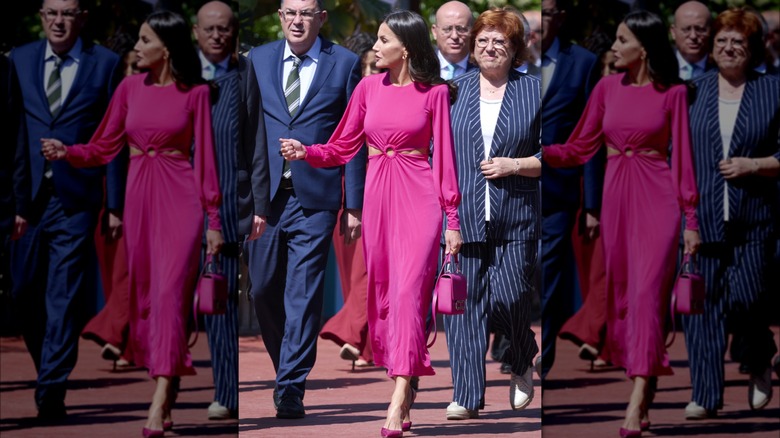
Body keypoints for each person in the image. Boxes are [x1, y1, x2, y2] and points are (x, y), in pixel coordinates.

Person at [41, 10, 224, 436]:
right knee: (148, 299)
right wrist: (68, 152)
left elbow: (207, 163)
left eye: (144, 41)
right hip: (140, 199)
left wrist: (213, 218)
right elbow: (104, 147)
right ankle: (168, 379)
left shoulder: (195, 93)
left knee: (168, 295)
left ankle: (158, 403)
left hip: (180, 200)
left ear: (166, 47)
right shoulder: (127, 88)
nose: (137, 48)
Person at [281, 10, 462, 436]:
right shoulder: (366, 88)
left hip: (420, 199)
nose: (375, 47)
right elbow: (342, 146)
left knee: (407, 294)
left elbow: (447, 163)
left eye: (383, 40)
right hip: (378, 199)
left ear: (407, 47)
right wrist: (307, 152)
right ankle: (407, 375)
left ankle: (398, 401)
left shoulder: (434, 93)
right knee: (384, 296)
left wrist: (452, 218)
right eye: (377, 40)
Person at [542, 10, 701, 436]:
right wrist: (539, 154)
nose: (613, 46)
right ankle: (645, 384)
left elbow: (683, 160)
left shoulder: (674, 94)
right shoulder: (607, 88)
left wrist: (690, 219)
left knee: (648, 295)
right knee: (627, 299)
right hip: (617, 199)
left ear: (643, 48)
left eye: (621, 39)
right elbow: (579, 148)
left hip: (659, 200)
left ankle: (635, 399)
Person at [245, 0, 364, 420]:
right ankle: (287, 370)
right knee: (262, 289)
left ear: (321, 18)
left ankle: (291, 385)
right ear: (280, 17)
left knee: (304, 292)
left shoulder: (346, 64)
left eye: (306, 12)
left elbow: (353, 139)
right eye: (290, 12)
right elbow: (246, 129)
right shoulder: (256, 60)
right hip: (266, 199)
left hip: (317, 197)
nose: (297, 20)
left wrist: (354, 204)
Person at [9, 0, 123, 421]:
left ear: (82, 19)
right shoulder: (18, 60)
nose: (59, 21)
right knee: (23, 294)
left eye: (68, 13)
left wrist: (115, 204)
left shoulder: (105, 64)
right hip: (27, 201)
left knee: (64, 295)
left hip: (77, 199)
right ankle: (49, 372)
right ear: (40, 16)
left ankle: (52, 387)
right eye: (51, 12)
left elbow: (113, 137)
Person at [443, 7, 540, 421]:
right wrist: (448, 218)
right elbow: (442, 157)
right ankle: (466, 394)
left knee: (511, 296)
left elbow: (553, 153)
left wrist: (515, 165)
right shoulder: (452, 92)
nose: (489, 46)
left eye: (500, 40)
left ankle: (520, 360)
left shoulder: (534, 91)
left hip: (516, 215)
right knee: (465, 307)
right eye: (482, 39)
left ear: (515, 48)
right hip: (464, 217)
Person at [682, 8, 779, 420]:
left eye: (738, 41)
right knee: (703, 310)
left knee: (747, 300)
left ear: (753, 48)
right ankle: (705, 394)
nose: (728, 47)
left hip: (754, 219)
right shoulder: (692, 91)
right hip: (701, 222)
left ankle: (758, 359)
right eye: (721, 40)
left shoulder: (773, 91)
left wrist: (754, 165)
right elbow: (679, 157)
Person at [193, 0, 251, 421]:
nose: (217, 36)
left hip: (229, 206)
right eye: (209, 29)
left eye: (224, 29)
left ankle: (226, 391)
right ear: (196, 32)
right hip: (173, 205)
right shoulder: (174, 77)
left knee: (220, 300)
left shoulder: (246, 78)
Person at [538, 0, 602, 379]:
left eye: (546, 13)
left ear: (560, 18)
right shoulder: (508, 55)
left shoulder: (583, 62)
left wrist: (592, 203)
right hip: (504, 186)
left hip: (558, 191)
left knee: (550, 279)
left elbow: (590, 137)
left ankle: (542, 363)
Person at [318, 31, 379, 370]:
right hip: (345, 194)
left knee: (369, 271)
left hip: (382, 192)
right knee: (351, 274)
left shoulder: (392, 95)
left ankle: (351, 332)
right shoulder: (344, 99)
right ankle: (367, 347)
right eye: (365, 66)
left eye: (377, 64)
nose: (371, 71)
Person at [80, 30, 136, 370]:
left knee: (131, 273)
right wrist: (113, 206)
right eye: (129, 68)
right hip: (112, 198)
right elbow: (107, 154)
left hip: (145, 198)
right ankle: (124, 343)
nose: (134, 74)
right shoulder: (115, 104)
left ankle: (113, 332)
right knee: (113, 273)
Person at [431, 1, 476, 79]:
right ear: (435, 32)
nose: (454, 36)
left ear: (472, 31)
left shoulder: (483, 69)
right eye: (447, 29)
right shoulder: (420, 68)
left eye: (461, 29)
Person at [670, 1, 713, 80]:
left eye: (700, 30)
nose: (693, 36)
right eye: (686, 29)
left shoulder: (721, 69)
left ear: (711, 31)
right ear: (673, 32)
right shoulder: (658, 67)